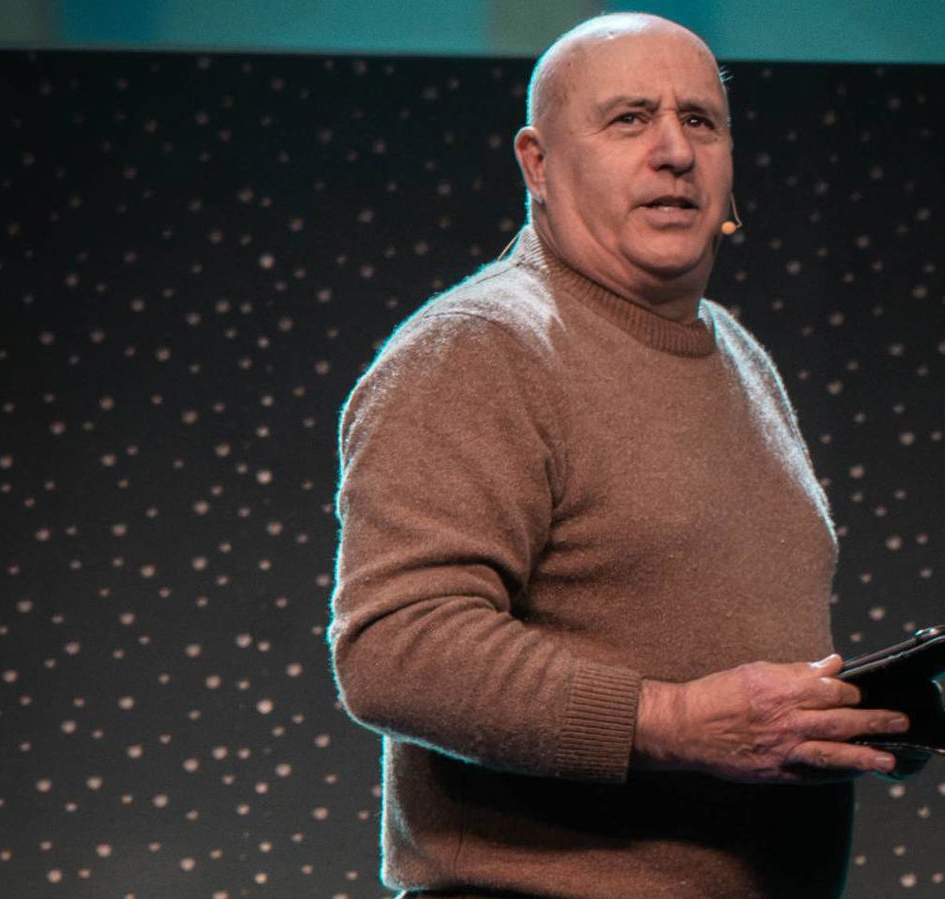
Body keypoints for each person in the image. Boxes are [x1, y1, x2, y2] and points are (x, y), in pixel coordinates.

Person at [328, 13, 909, 898]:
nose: (675, 152)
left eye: (700, 121)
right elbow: (396, 649)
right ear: (538, 163)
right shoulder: (479, 348)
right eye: (630, 119)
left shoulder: (737, 353)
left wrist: (845, 724)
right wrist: (673, 719)